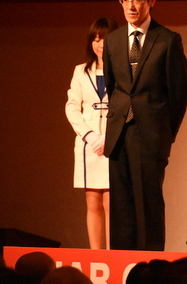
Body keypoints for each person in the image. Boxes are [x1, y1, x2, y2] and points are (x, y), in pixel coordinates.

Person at [103, 0, 187, 250]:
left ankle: (150, 264)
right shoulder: (113, 40)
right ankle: (121, 264)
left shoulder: (167, 40)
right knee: (121, 207)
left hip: (151, 134)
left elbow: (178, 93)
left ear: (151, 1)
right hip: (119, 133)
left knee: (148, 204)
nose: (130, 6)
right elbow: (114, 87)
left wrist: (166, 133)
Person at [65, 18, 118, 249]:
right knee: (92, 202)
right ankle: (96, 255)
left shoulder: (123, 71)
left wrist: (109, 136)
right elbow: (72, 106)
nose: (100, 44)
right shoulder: (80, 71)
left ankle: (112, 255)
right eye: (96, 39)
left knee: (112, 203)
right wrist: (89, 135)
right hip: (90, 146)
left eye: (105, 38)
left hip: (113, 143)